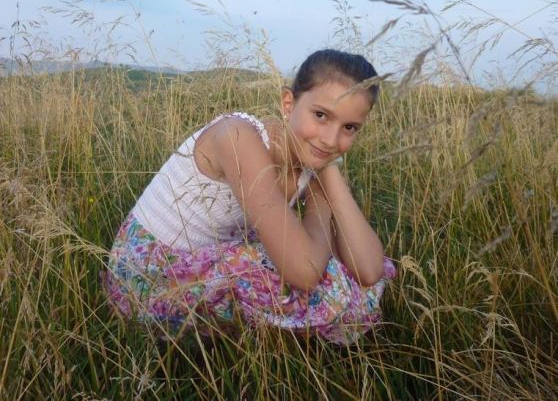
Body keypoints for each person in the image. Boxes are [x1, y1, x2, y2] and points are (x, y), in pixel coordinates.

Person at [105, 49, 396, 345]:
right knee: (319, 279)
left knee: (344, 273)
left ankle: (238, 336)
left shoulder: (311, 158)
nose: (331, 139)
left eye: (349, 128)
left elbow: (370, 269)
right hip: (147, 279)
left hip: (203, 267)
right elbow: (306, 272)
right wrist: (320, 202)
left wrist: (330, 174)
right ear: (288, 103)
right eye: (321, 115)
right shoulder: (238, 137)